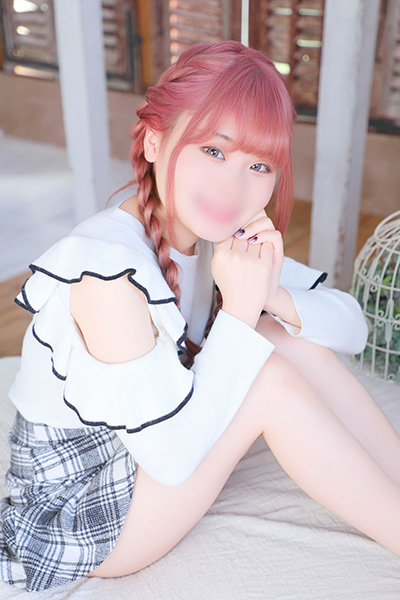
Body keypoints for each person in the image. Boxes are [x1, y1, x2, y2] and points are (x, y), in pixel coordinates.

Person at [1, 40, 400, 593]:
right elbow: (172, 460)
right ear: (154, 140)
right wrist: (239, 310)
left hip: (147, 464)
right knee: (267, 377)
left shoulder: (214, 235)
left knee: (274, 333)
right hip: (80, 514)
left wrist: (265, 295)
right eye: (213, 150)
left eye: (258, 165)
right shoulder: (108, 274)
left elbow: (351, 329)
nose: (232, 187)